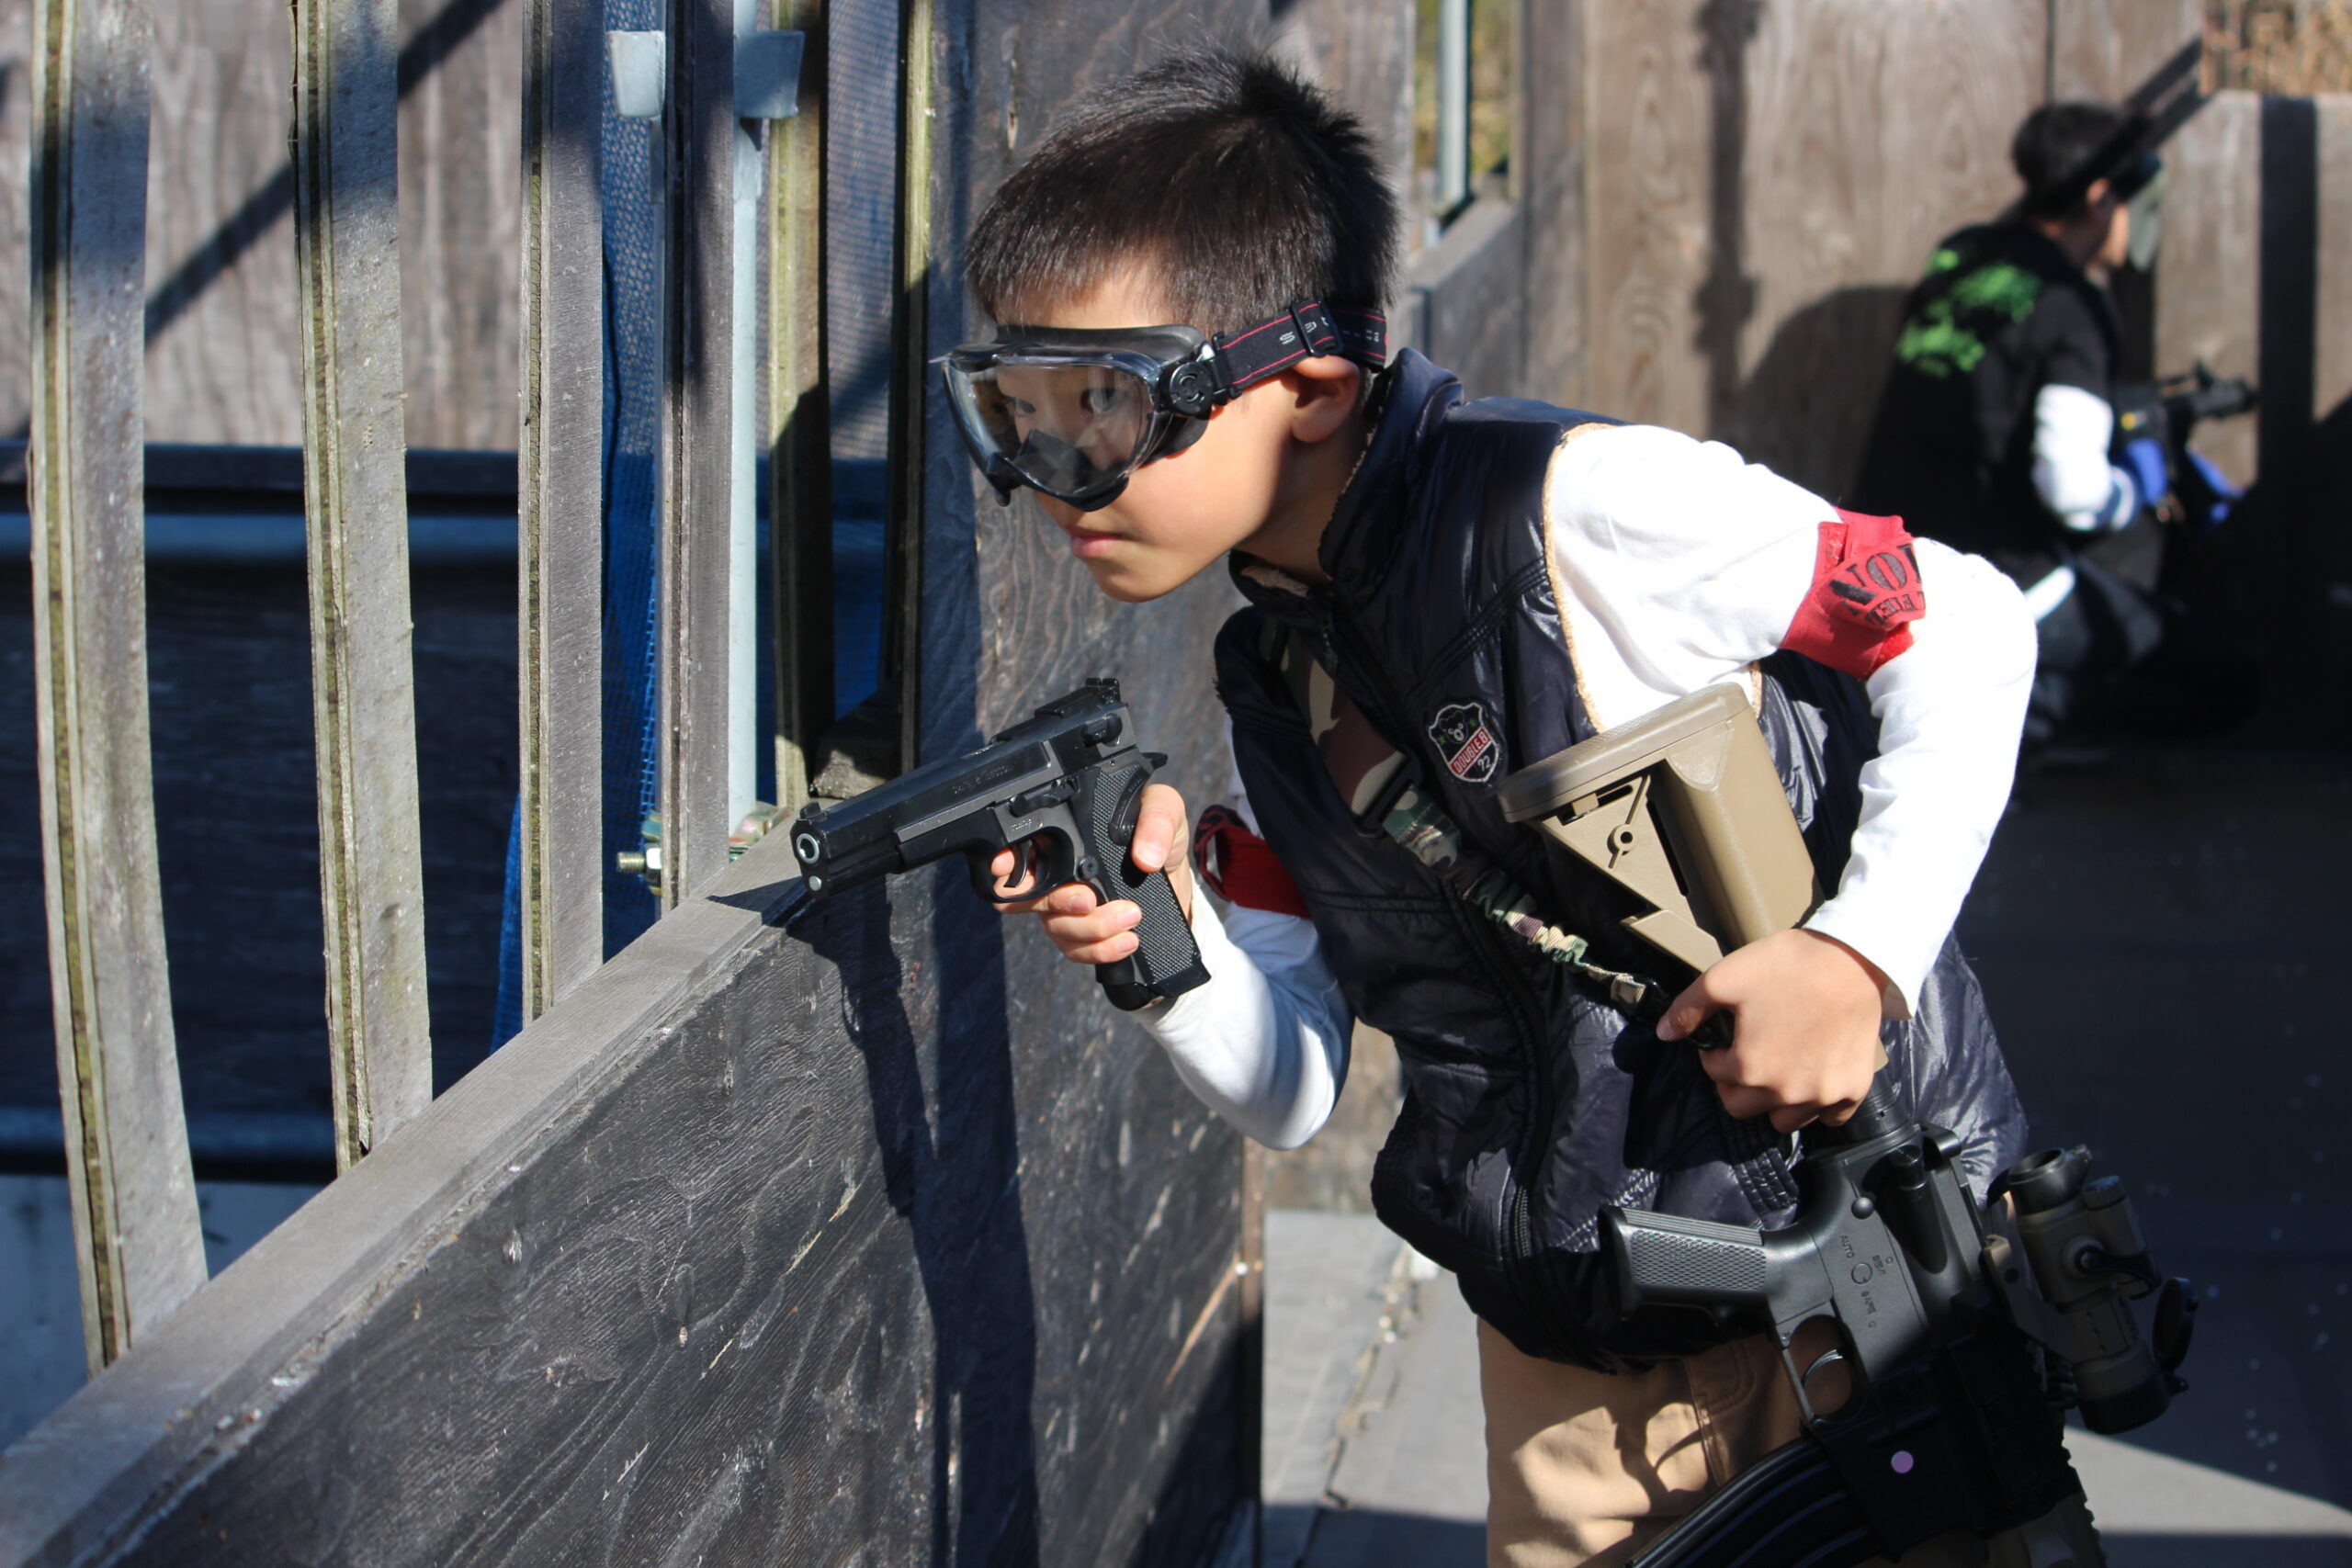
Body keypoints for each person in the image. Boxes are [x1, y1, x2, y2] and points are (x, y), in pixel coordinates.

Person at [953, 51, 2033, 1566]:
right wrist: (1166, 942)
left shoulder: (1572, 501)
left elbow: (1964, 617)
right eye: (1014, 412)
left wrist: (1860, 958)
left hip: (1855, 1278)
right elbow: (1297, 1089)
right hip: (1563, 1361)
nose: (1054, 473)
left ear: (1310, 388)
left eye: (1105, 405)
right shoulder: (1280, 678)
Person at [1850, 100, 2257, 748]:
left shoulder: (1961, 255)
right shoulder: (2074, 305)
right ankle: (2014, 712)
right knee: (2229, 683)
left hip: (1884, 561)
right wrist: (2134, 486)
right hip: (1996, 576)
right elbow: (2073, 492)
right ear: (2101, 199)